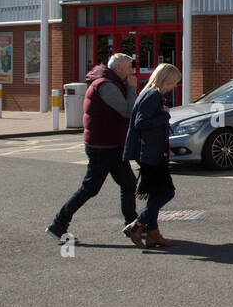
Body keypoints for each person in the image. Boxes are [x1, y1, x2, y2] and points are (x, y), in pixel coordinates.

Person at [47, 53, 138, 244]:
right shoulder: (106, 85)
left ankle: (132, 226)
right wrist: (131, 89)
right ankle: (58, 224)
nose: (132, 71)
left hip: (112, 143)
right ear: (119, 68)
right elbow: (127, 110)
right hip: (102, 145)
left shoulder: (109, 82)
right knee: (90, 187)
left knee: (128, 182)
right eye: (130, 67)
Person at [122, 62, 182, 248]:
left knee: (156, 192)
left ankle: (153, 234)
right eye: (173, 82)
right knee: (166, 192)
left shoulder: (148, 94)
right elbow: (141, 123)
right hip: (151, 151)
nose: (174, 86)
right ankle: (137, 225)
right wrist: (164, 115)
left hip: (149, 150)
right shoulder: (153, 96)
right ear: (166, 79)